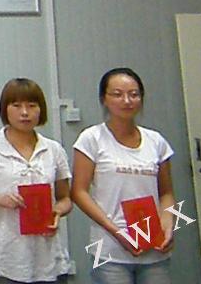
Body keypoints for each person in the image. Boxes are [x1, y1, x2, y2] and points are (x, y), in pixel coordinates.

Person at [71, 68, 175, 284]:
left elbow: (166, 193)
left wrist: (168, 224)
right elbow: (79, 192)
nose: (127, 101)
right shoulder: (91, 138)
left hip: (153, 247)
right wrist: (117, 232)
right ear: (104, 99)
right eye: (117, 94)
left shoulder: (156, 141)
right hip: (108, 249)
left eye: (134, 94)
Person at [0, 78, 72, 284]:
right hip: (5, 256)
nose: (25, 112)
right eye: (16, 105)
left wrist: (57, 212)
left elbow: (65, 198)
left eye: (32, 106)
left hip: (48, 255)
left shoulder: (53, 149)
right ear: (5, 109)